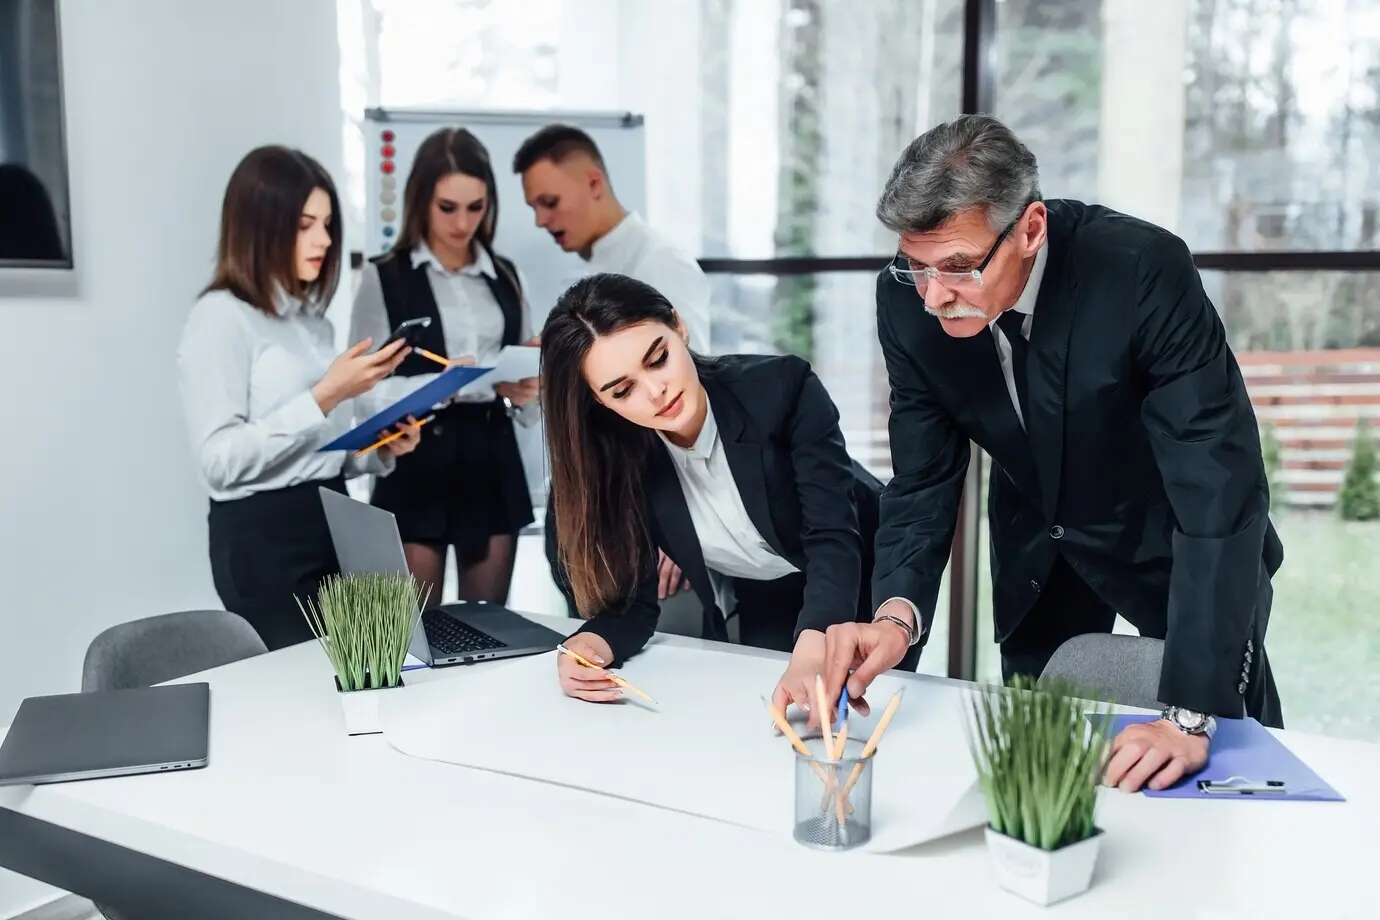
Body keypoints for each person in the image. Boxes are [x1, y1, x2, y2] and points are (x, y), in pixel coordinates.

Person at [823, 114, 1284, 794]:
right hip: (1038, 548)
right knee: (1040, 784)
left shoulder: (1140, 271)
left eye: (957, 267)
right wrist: (895, 613)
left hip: (1173, 541)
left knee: (1234, 762)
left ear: (1030, 228)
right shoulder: (907, 302)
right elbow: (922, 482)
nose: (933, 296)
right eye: (914, 266)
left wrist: (1191, 718)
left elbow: (1217, 479)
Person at [540, 273, 918, 720]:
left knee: (864, 727)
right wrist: (589, 644)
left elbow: (832, 537)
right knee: (776, 722)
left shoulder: (781, 389)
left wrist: (816, 638)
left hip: (861, 577)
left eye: (658, 359)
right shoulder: (622, 455)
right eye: (623, 390)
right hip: (769, 587)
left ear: (679, 328)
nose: (655, 391)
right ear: (600, 402)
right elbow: (636, 607)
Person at [177, 145, 423, 650]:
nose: (324, 240)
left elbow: (316, 452)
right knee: (306, 689)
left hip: (329, 519)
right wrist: (325, 395)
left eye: (328, 224)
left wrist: (379, 449)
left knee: (367, 677)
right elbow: (219, 463)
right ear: (260, 226)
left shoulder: (308, 321)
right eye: (305, 224)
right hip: (263, 539)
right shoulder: (221, 318)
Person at [513, 123, 715, 624]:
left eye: (550, 201)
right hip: (594, 501)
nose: (542, 219)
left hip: (649, 517)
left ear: (594, 183)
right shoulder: (583, 274)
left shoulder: (660, 263)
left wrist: (682, 529)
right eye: (534, 207)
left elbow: (692, 392)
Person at [350, 127, 539, 608]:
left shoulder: (506, 275)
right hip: (416, 460)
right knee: (412, 643)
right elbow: (361, 391)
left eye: (475, 208)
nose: (463, 223)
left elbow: (526, 385)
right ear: (421, 200)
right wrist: (434, 386)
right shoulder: (384, 277)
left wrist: (527, 394)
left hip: (492, 457)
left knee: (489, 632)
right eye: (447, 208)